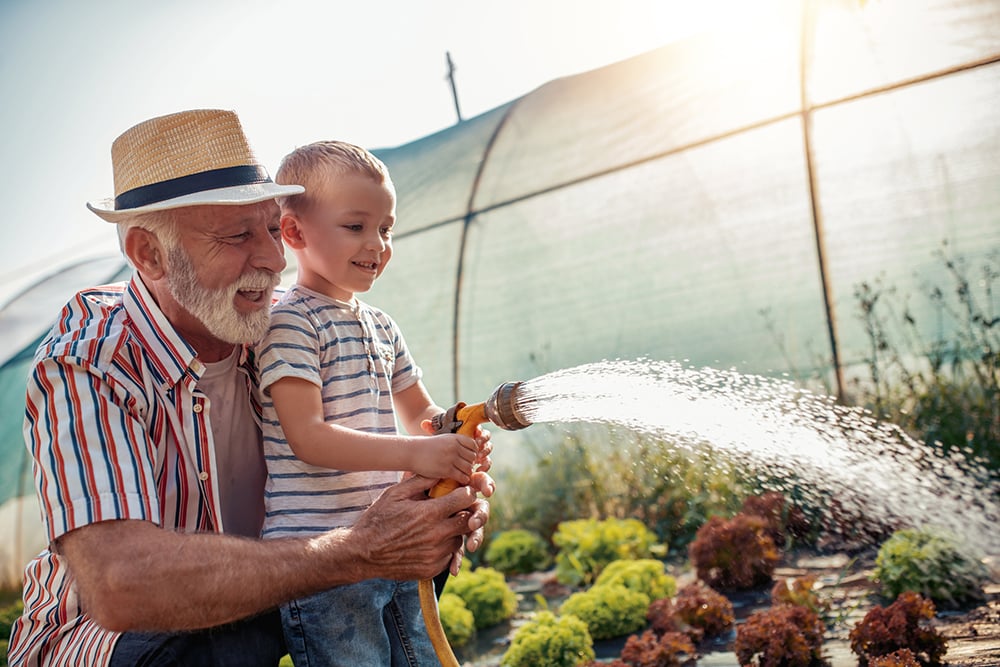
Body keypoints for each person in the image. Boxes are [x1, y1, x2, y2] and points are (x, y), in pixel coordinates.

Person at [7, 109, 494, 667]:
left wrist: (439, 496)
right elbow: (124, 587)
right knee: (229, 645)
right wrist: (361, 548)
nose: (273, 259)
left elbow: (384, 446)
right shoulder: (90, 361)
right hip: (112, 641)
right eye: (237, 236)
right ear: (149, 254)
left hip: (274, 591)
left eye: (269, 227)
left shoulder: (275, 328)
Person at [254, 140, 484, 666]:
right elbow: (307, 437)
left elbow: (422, 418)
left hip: (396, 543)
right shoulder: (291, 321)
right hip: (324, 563)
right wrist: (415, 455)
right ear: (294, 233)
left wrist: (453, 435)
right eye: (356, 227)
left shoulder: (382, 324)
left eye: (386, 229)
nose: (376, 244)